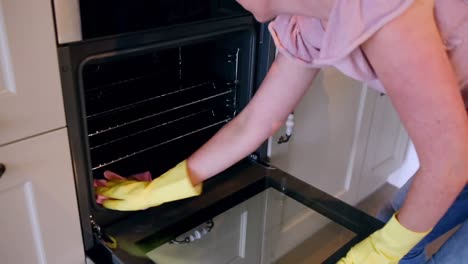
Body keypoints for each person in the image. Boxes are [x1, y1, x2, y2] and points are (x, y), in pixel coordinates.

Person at [96, 0, 468, 263]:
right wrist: (166, 185)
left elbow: (449, 165)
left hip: (456, 156)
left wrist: (381, 252)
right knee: (394, 229)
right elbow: (254, 123)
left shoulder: (384, 11)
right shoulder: (308, 21)